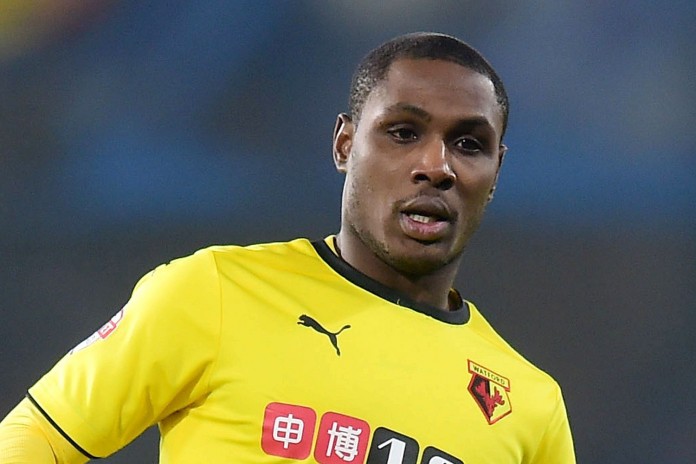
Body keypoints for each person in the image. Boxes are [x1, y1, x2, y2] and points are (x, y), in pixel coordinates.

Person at [0, 32, 575, 463]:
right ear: (345, 145)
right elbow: (36, 437)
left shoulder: (529, 406)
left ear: (496, 172)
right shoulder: (213, 293)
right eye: (403, 133)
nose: (436, 166)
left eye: (468, 144)